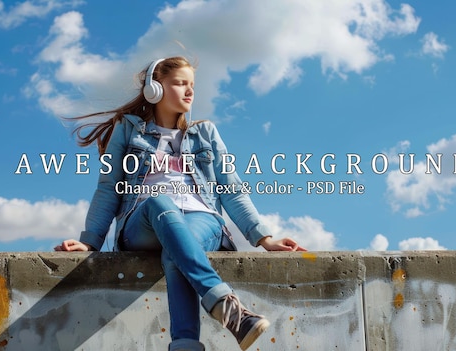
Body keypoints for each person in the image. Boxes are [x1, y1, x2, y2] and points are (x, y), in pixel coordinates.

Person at [54, 56, 306, 351]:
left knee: (179, 249)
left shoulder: (205, 133)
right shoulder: (128, 129)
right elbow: (109, 188)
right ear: (155, 89)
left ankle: (185, 344)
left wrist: (265, 239)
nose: (189, 91)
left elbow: (231, 188)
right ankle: (225, 304)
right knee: (160, 203)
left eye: (192, 86)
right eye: (180, 83)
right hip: (144, 219)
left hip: (202, 218)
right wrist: (91, 241)